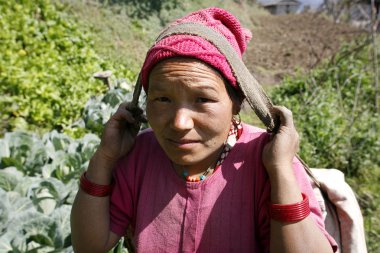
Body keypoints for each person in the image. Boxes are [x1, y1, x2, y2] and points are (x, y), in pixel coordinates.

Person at [71, 7, 338, 253]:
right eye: (162, 99)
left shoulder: (265, 160)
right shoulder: (140, 154)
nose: (179, 122)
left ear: (236, 102)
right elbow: (89, 246)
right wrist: (104, 158)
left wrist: (280, 170)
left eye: (202, 100)